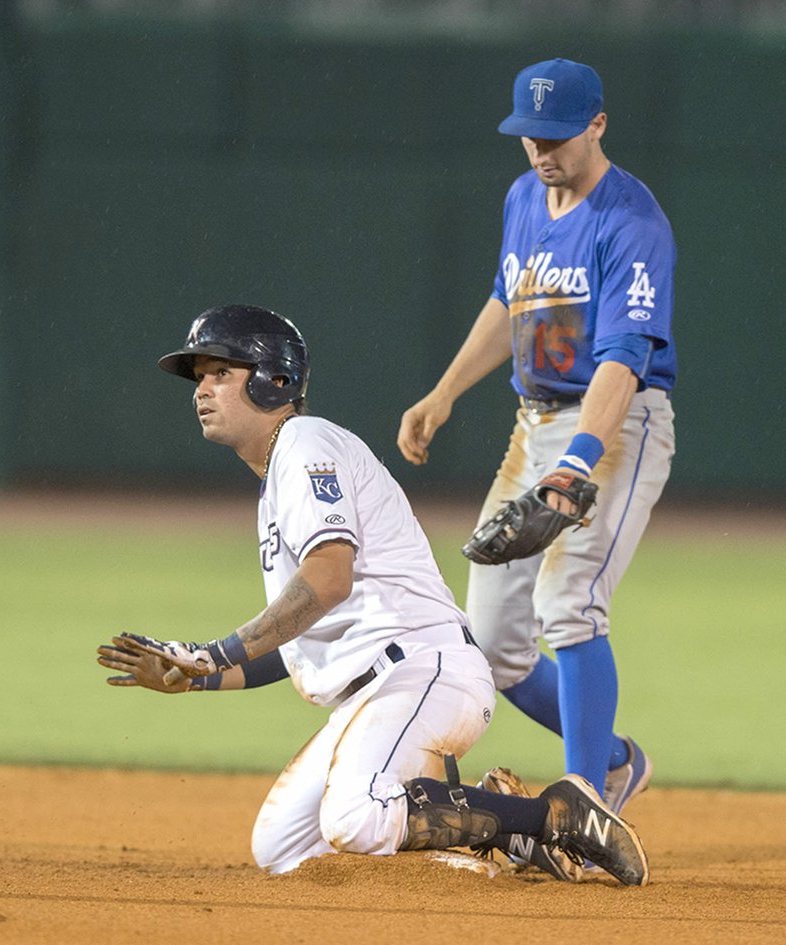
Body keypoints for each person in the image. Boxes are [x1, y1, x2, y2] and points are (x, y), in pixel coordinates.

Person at [97, 303, 649, 886]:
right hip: (378, 692)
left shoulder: (306, 444)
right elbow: (294, 645)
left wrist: (216, 650)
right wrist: (196, 675)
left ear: (273, 380)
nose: (200, 389)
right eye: (199, 378)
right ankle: (496, 822)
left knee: (356, 818)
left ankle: (551, 815)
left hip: (424, 672)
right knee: (282, 849)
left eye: (218, 373)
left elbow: (328, 579)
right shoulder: (279, 477)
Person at [397, 58, 676, 851]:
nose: (542, 151)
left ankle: (587, 806)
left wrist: (578, 461)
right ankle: (617, 762)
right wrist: (445, 391)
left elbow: (623, 362)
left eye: (557, 136)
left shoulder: (632, 221)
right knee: (493, 639)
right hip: (535, 424)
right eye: (529, 137)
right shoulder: (524, 197)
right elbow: (507, 298)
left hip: (616, 423)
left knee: (571, 601)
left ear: (598, 124)